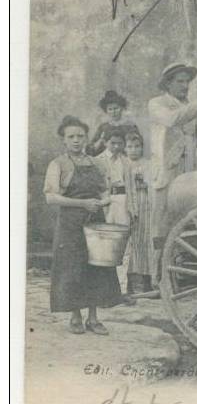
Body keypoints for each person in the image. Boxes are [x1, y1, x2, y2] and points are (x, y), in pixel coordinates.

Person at [44, 116, 122, 335]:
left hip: (95, 221)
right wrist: (82, 203)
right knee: (72, 268)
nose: (76, 140)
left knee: (96, 267)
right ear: (64, 140)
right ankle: (75, 316)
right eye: (71, 137)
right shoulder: (58, 164)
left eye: (80, 136)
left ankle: (94, 318)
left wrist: (103, 202)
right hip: (70, 224)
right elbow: (51, 198)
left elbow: (106, 192)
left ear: (87, 138)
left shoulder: (97, 163)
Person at [148, 62, 197, 280]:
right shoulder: (157, 104)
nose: (185, 86)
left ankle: (179, 274)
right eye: (180, 81)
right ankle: (155, 277)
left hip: (188, 171)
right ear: (168, 83)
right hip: (166, 172)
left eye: (187, 81)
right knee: (161, 223)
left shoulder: (189, 106)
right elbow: (173, 119)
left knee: (187, 220)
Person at [121, 131, 152, 294]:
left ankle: (146, 280)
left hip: (145, 202)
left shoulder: (147, 164)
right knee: (130, 243)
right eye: (130, 147)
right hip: (128, 202)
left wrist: (144, 183)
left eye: (137, 146)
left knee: (145, 241)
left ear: (142, 148)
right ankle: (129, 282)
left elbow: (151, 183)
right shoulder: (124, 164)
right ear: (125, 149)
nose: (133, 150)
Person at [87, 90, 139, 156]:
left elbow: (137, 146)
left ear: (121, 108)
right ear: (106, 111)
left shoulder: (130, 126)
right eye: (110, 109)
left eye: (116, 108)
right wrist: (100, 141)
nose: (113, 112)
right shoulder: (103, 127)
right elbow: (91, 150)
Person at [96, 127, 129, 227]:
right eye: (113, 143)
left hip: (123, 200)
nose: (116, 146)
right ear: (105, 143)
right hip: (105, 199)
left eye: (120, 143)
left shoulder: (125, 160)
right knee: (107, 228)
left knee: (123, 228)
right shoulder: (98, 161)